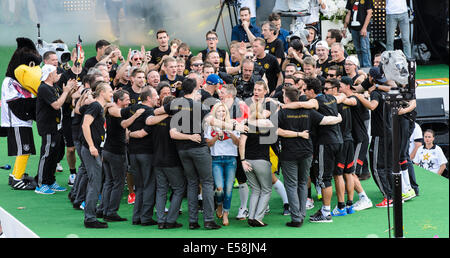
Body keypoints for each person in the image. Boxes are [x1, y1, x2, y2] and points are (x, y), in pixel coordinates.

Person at [277, 85, 343, 227]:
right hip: (306, 152)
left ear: (286, 99)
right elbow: (326, 120)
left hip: (289, 153)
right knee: (302, 183)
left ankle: (296, 218)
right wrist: (338, 118)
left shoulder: (282, 112)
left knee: (291, 184)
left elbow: (275, 131)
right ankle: (301, 214)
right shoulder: (308, 111)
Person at [355, 68, 394, 208]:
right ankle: (392, 195)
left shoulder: (377, 93)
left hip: (380, 134)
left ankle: (388, 197)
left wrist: (359, 96)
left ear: (371, 77)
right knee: (388, 166)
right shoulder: (385, 90)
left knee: (377, 167)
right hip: (389, 132)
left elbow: (372, 106)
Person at [239, 81, 276, 227]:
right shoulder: (267, 123)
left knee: (255, 189)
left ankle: (251, 216)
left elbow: (241, 143)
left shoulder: (247, 124)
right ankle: (258, 218)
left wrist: (242, 160)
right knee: (266, 190)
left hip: (247, 160)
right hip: (262, 160)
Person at [35, 64, 77, 194]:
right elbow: (57, 104)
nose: (58, 75)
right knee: (46, 154)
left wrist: (71, 90)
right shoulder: (44, 88)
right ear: (49, 74)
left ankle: (50, 180)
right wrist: (65, 92)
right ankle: (41, 183)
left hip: (57, 126)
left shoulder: (54, 87)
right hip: (48, 126)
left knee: (55, 155)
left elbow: (65, 99)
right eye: (55, 73)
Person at [121, 87, 159, 226]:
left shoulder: (132, 108)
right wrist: (130, 134)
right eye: (155, 95)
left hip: (133, 153)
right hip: (147, 153)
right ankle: (146, 217)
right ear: (148, 98)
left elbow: (122, 121)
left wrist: (128, 133)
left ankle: (136, 217)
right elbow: (143, 133)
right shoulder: (150, 112)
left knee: (140, 186)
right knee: (149, 185)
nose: (157, 98)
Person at [80, 82, 113, 228]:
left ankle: (91, 215)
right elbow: (85, 125)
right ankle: (90, 218)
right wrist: (92, 146)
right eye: (110, 91)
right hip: (91, 150)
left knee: (96, 182)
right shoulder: (95, 106)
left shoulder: (99, 107)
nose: (112, 93)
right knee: (95, 183)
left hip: (95, 149)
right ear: (102, 93)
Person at [96, 89, 131, 222]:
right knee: (118, 182)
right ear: (119, 101)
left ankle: (102, 209)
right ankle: (110, 212)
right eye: (126, 99)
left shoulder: (110, 110)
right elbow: (124, 126)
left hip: (108, 150)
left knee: (109, 182)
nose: (129, 101)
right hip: (117, 152)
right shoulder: (117, 113)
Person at [339, 76, 373, 211]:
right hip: (352, 140)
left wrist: (336, 97)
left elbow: (351, 101)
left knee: (352, 172)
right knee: (348, 171)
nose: (339, 89)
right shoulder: (353, 96)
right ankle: (355, 199)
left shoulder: (355, 98)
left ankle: (364, 198)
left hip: (360, 140)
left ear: (347, 86)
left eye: (340, 86)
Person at [205, 102, 240, 226]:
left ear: (227, 113)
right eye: (219, 111)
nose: (221, 113)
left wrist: (231, 134)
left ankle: (226, 213)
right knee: (219, 188)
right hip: (216, 159)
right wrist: (216, 137)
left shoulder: (233, 124)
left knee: (229, 189)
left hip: (231, 159)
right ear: (215, 113)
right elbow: (208, 144)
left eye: (223, 111)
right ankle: (219, 204)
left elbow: (238, 143)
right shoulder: (210, 125)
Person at [343, 0, 373, 68]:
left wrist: (364, 28)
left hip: (363, 27)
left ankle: (367, 68)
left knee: (365, 48)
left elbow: (369, 13)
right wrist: (344, 28)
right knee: (358, 49)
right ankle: (361, 67)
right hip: (354, 28)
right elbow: (349, 13)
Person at [408, 122, 422, 195]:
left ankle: (414, 188)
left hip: (408, 157)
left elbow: (418, 145)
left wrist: (409, 158)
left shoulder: (416, 126)